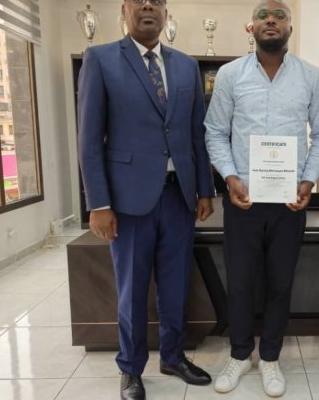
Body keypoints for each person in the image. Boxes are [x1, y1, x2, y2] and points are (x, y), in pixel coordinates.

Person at [77, 0, 215, 399]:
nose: (149, 5)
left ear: (166, 12)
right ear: (125, 9)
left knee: (175, 284)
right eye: (140, 0)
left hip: (178, 196)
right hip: (127, 200)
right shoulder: (101, 59)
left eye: (157, 0)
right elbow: (89, 139)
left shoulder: (186, 66)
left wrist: (204, 188)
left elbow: (196, 134)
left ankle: (173, 356)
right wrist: (98, 203)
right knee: (132, 290)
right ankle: (131, 368)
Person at [204, 0, 319, 396]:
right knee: (241, 282)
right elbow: (215, 131)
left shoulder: (311, 77)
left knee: (280, 282)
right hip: (243, 200)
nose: (271, 21)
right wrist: (230, 178)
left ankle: (271, 358)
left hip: (289, 202)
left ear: (290, 28)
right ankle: (240, 355)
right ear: (252, 27)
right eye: (263, 16)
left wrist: (309, 180)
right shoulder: (230, 75)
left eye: (280, 16)